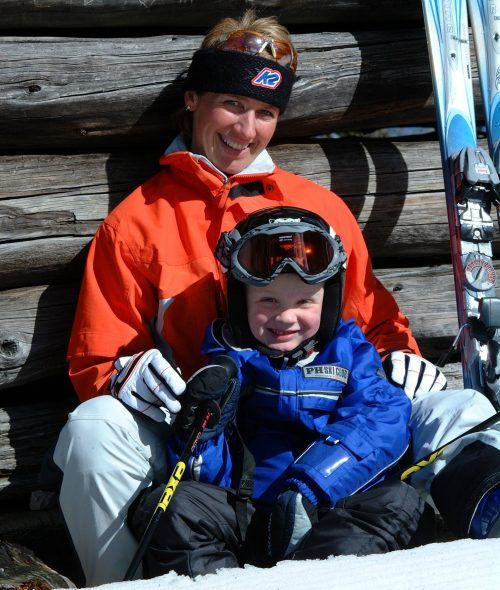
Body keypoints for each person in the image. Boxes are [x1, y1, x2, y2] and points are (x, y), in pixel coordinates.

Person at [52, 9, 500, 586]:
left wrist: (401, 355)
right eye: (232, 104)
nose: (246, 130)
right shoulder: (137, 222)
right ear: (192, 99)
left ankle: (482, 557)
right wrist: (124, 375)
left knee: (461, 411)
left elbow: (374, 322)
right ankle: (127, 583)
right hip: (204, 441)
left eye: (265, 112)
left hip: (328, 429)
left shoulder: (319, 208)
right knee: (92, 430)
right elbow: (97, 354)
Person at [128, 206, 435, 578]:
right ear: (240, 302)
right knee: (175, 507)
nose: (286, 317)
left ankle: (314, 581)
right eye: (268, 301)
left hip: (330, 509)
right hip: (248, 514)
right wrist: (200, 433)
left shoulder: (351, 353)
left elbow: (381, 419)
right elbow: (201, 475)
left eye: (304, 302)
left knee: (399, 501)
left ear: (329, 300)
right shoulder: (227, 365)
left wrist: (311, 485)